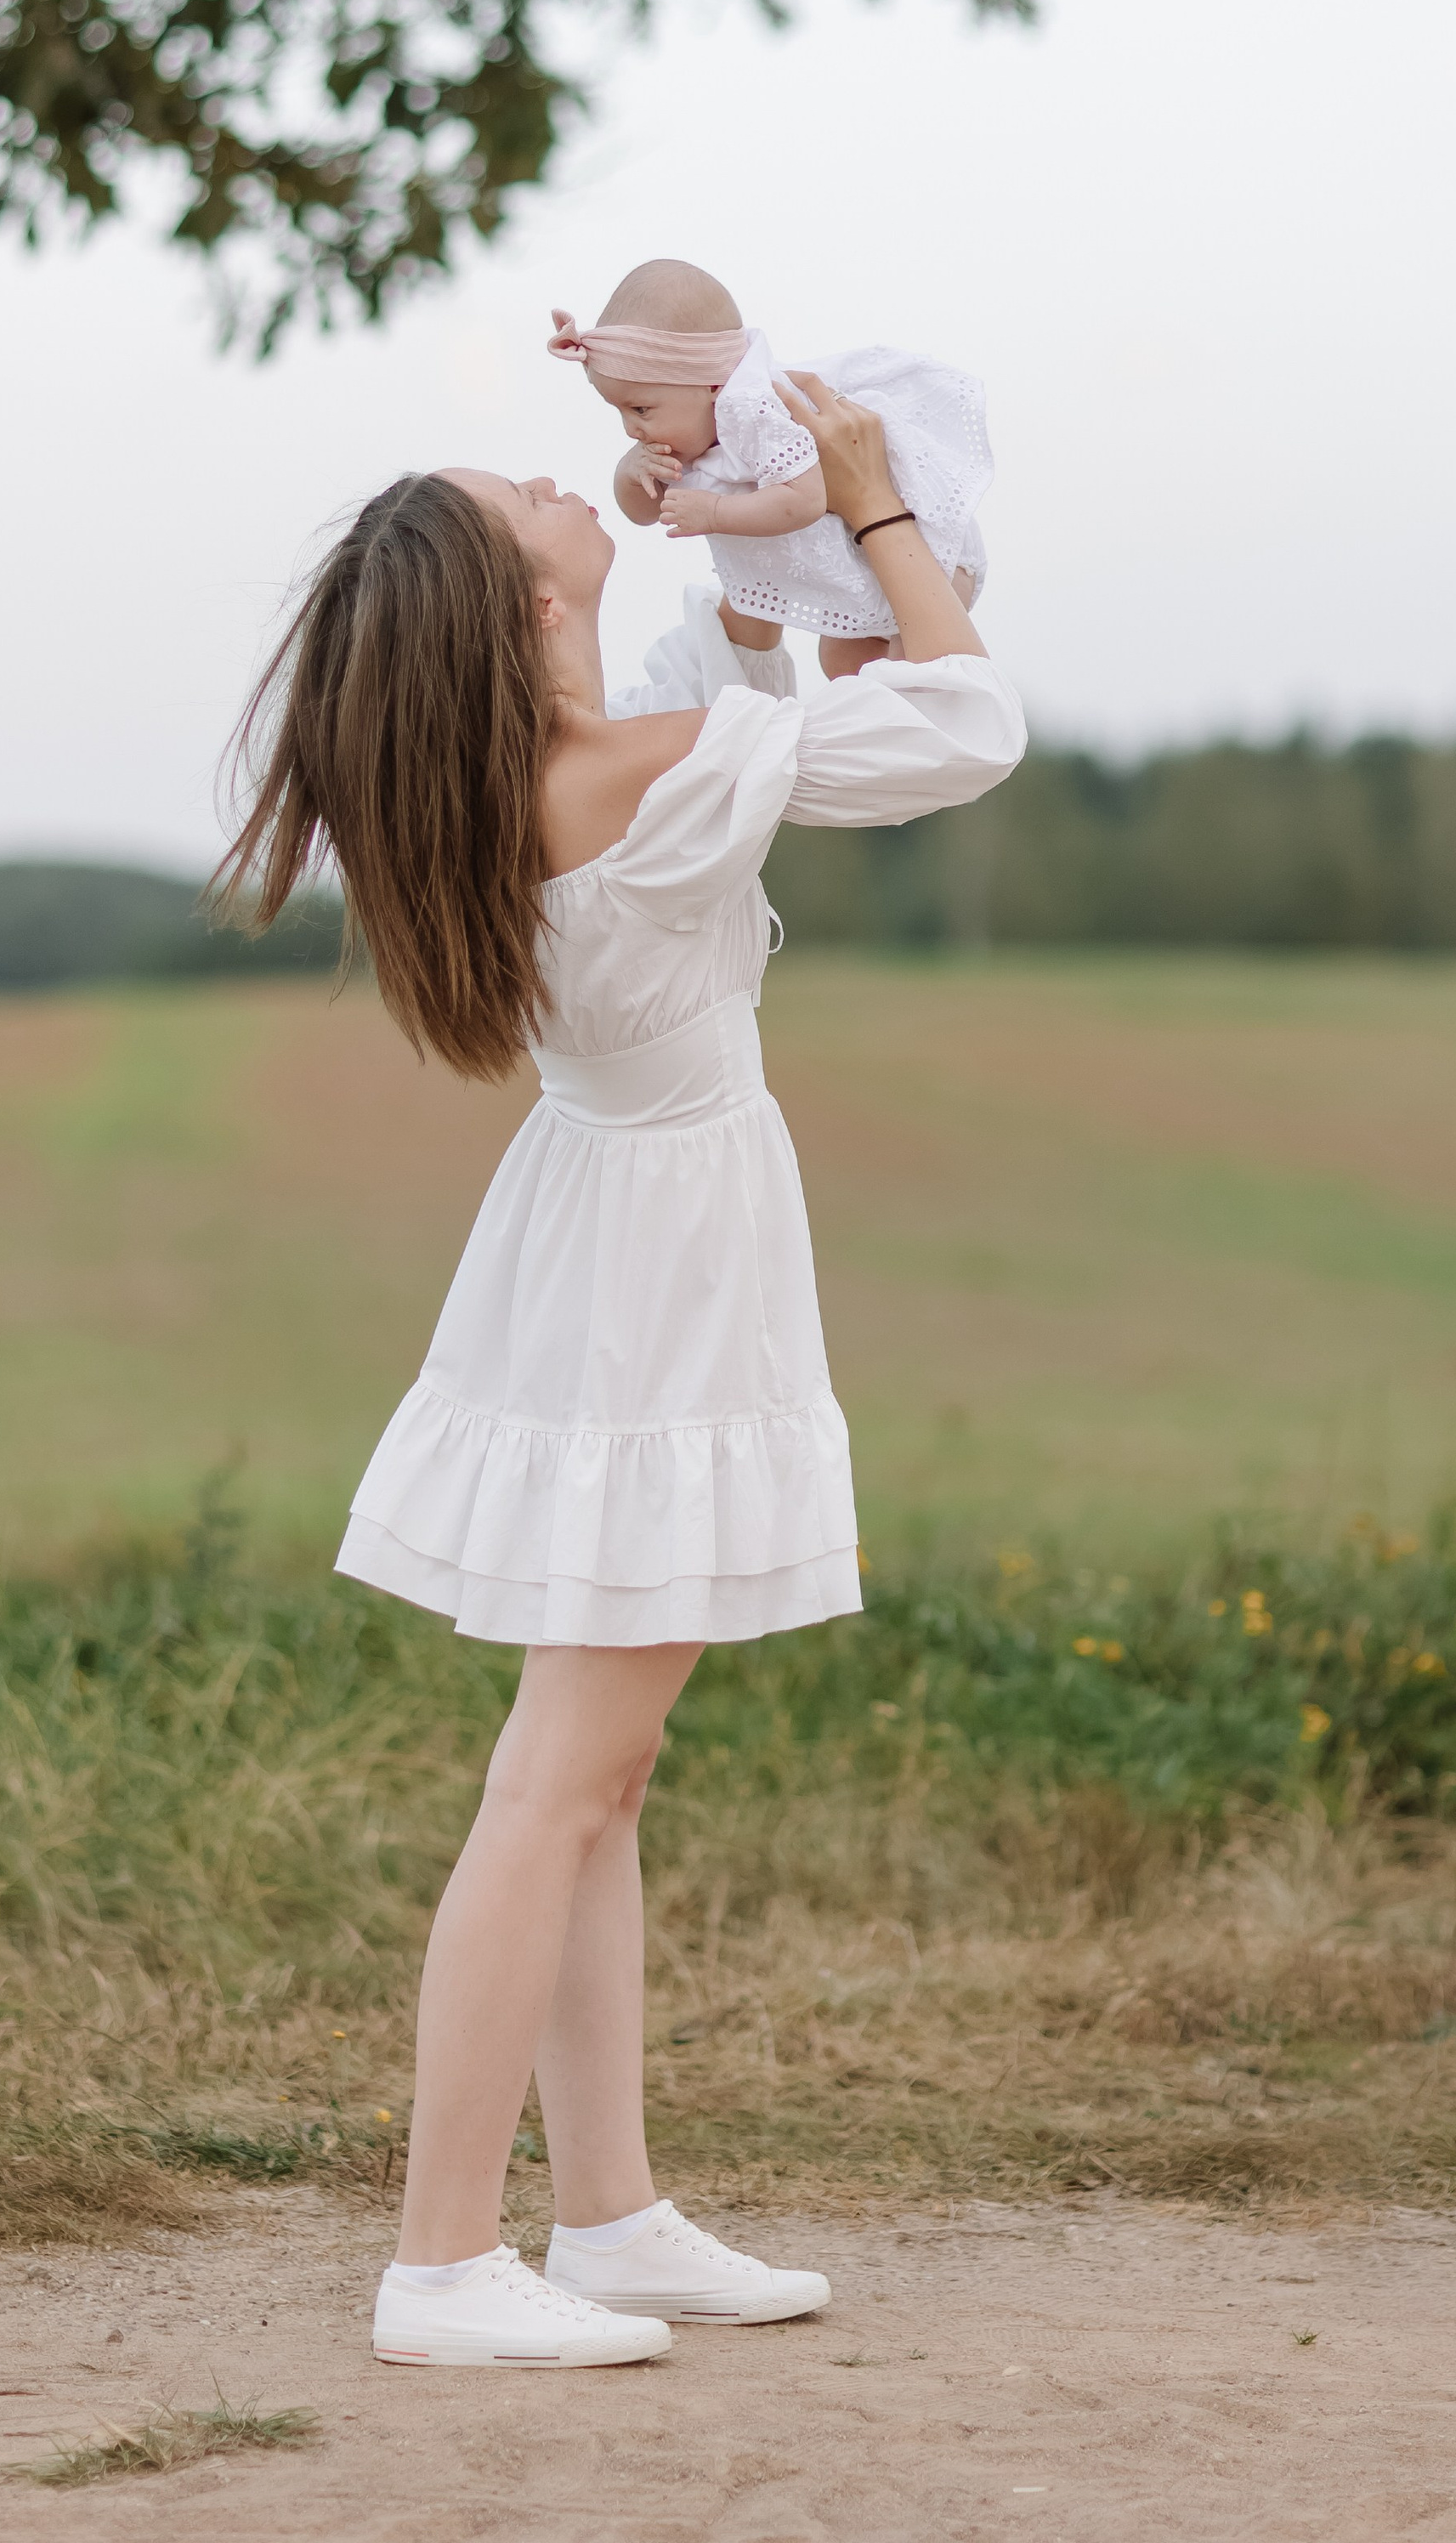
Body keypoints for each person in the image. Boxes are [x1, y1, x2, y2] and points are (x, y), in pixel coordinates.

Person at [216, 372, 1024, 2370]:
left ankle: (607, 2214)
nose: (536, 468)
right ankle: (439, 2259)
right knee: (561, 1777)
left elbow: (714, 682)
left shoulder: (580, 758)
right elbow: (958, 721)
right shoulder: (617, 777)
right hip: (654, 1265)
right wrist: (868, 508)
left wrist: (728, 537)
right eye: (513, 493)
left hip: (615, 1240)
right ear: (511, 609)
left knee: (600, 1773)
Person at [552, 256, 989, 682]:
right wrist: (629, 475)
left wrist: (715, 515)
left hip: (927, 554)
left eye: (641, 408)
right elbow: (646, 513)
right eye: (621, 412)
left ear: (711, 383)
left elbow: (804, 499)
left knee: (919, 683)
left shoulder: (757, 411)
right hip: (865, 573)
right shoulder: (696, 437)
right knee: (843, 664)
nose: (632, 429)